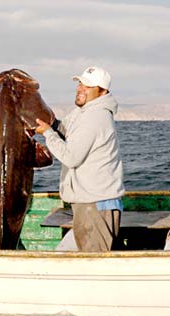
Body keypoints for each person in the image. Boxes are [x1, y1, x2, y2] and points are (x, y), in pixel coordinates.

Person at [35, 66, 125, 252]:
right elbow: (63, 128)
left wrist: (48, 134)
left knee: (96, 262)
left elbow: (71, 157)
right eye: (80, 84)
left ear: (102, 91)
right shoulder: (84, 112)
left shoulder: (95, 116)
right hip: (89, 201)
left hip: (95, 203)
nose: (80, 89)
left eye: (87, 86)